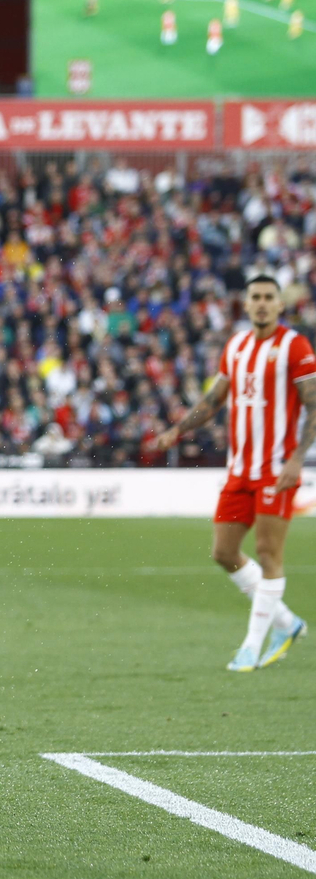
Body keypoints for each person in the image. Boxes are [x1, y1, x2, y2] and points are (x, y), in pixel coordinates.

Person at [146, 275, 315, 670]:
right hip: (239, 469)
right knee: (223, 552)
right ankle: (287, 622)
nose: (260, 304)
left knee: (268, 553)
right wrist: (177, 429)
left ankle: (252, 646)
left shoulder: (295, 346)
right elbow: (214, 399)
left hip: (277, 468)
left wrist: (297, 460)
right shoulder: (237, 345)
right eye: (254, 297)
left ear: (279, 305)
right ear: (246, 303)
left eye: (268, 298)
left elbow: (313, 405)